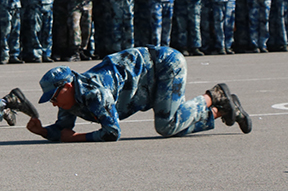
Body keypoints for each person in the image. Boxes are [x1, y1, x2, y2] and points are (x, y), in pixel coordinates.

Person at [26, 47, 251, 143]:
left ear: (67, 86)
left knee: (166, 125)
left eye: (54, 97)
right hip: (146, 80)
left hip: (164, 65)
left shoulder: (95, 92)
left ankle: (214, 96)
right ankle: (222, 109)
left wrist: (76, 138)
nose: (54, 104)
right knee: (174, 128)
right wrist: (43, 131)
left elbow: (112, 132)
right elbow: (63, 129)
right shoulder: (71, 98)